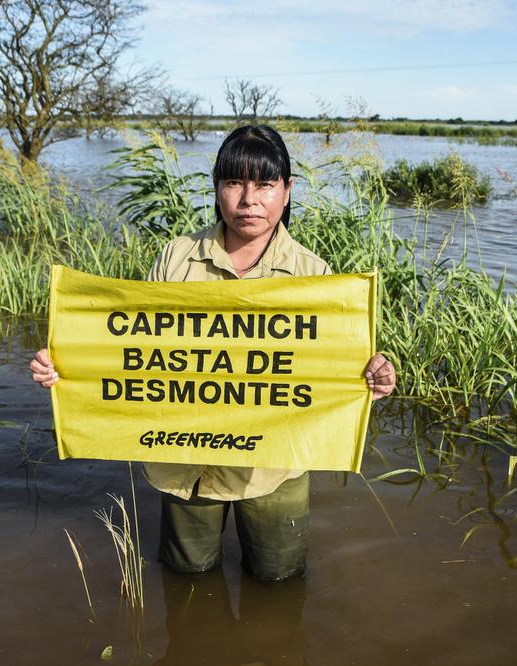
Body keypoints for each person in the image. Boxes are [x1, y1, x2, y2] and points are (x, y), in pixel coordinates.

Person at [30, 125, 396, 581]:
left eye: (264, 185)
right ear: (217, 188)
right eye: (234, 183)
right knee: (187, 579)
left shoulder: (313, 274)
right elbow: (133, 350)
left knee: (278, 579)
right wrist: (65, 365)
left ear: (287, 191)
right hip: (186, 462)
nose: (249, 200)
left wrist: (373, 375)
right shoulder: (176, 258)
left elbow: (334, 366)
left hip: (272, 466)